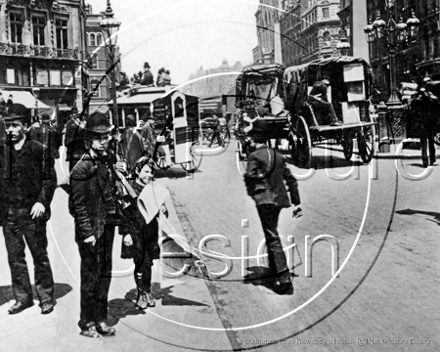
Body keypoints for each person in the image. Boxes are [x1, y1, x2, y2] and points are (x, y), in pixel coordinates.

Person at [0, 104, 57, 315]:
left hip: (32, 213)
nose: (10, 131)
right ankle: (22, 298)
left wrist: (41, 201)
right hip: (9, 214)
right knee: (15, 259)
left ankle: (45, 297)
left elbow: (49, 179)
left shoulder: (38, 150)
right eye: (7, 126)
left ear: (25, 125)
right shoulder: (2, 150)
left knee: (39, 255)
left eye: (14, 126)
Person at [69, 112, 119, 338]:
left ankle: (100, 318)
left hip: (106, 227)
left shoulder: (105, 160)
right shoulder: (81, 167)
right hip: (91, 232)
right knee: (90, 277)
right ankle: (86, 322)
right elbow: (76, 206)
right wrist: (88, 233)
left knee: (105, 275)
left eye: (106, 136)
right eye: (99, 137)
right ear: (88, 140)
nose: (104, 140)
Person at [244, 136, 301, 294]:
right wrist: (296, 201)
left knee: (272, 235)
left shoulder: (254, 156)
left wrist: (254, 193)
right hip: (280, 199)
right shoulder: (278, 156)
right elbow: (290, 178)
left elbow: (250, 176)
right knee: (271, 232)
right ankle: (273, 269)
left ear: (256, 140)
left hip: (265, 201)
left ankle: (284, 280)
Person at [119, 157, 169, 309]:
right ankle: (141, 293)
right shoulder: (129, 188)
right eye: (146, 171)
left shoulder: (154, 188)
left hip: (150, 232)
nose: (149, 175)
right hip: (135, 233)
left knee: (148, 263)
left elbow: (162, 210)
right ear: (137, 171)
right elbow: (124, 214)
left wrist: (163, 210)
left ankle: (146, 291)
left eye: (152, 172)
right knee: (139, 262)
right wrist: (126, 233)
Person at [64, 106, 86, 171]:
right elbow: (73, 134)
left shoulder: (77, 123)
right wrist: (81, 128)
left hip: (79, 148)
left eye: (76, 113)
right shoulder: (70, 123)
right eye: (74, 113)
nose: (75, 114)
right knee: (75, 168)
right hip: (73, 148)